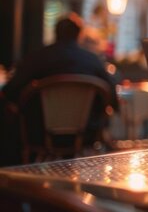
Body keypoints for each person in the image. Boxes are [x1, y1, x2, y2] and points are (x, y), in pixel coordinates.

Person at [0, 14, 118, 165]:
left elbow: (10, 91)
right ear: (79, 35)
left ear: (55, 33)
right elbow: (113, 99)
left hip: (39, 133)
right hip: (86, 134)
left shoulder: (37, 58)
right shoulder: (92, 61)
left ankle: (13, 178)